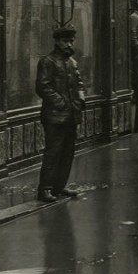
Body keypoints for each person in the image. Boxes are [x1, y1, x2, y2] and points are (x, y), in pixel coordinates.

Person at [35, 26, 85, 202]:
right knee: (53, 152)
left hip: (71, 114)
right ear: (57, 41)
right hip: (55, 116)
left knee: (67, 152)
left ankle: (59, 186)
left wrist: (80, 99)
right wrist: (62, 102)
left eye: (71, 41)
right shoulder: (48, 61)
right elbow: (43, 87)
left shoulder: (72, 62)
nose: (68, 44)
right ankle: (45, 188)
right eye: (65, 41)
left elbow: (79, 83)